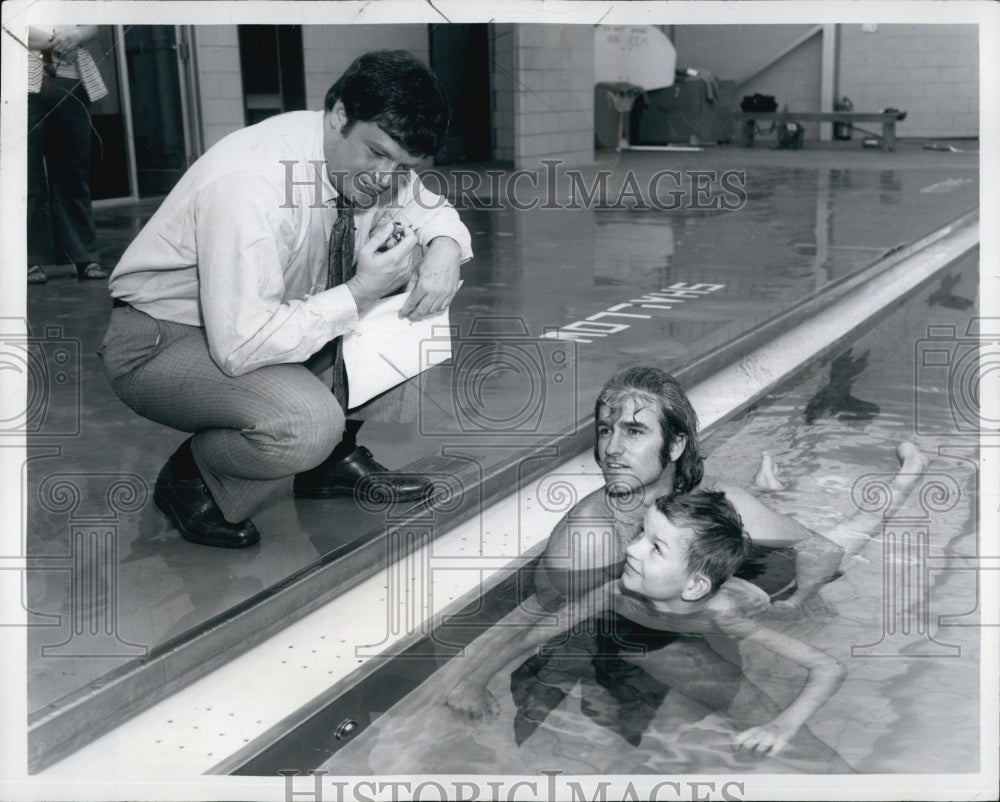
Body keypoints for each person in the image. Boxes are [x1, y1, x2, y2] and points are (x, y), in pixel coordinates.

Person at [99, 50, 472, 548]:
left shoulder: (357, 154)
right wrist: (360, 292)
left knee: (415, 296)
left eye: (403, 164)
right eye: (378, 154)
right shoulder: (252, 184)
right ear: (338, 114)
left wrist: (444, 247)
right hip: (161, 336)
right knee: (303, 423)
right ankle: (193, 478)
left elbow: (428, 206)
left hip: (250, 320)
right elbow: (242, 346)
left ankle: (332, 464)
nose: (386, 177)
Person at [445, 366, 928, 732]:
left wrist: (791, 604)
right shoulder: (584, 541)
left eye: (633, 432)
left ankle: (905, 477)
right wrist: (473, 678)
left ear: (675, 446)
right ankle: (781, 487)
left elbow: (820, 553)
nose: (611, 448)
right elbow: (540, 617)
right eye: (605, 430)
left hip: (703, 575)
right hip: (644, 623)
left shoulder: (718, 500)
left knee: (841, 547)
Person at [482, 490, 848, 758]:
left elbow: (828, 667)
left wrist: (783, 725)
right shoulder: (614, 592)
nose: (631, 549)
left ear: (693, 586)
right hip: (693, 594)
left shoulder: (722, 614)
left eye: (655, 547)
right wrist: (473, 682)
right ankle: (767, 488)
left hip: (763, 584)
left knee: (835, 554)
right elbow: (534, 634)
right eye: (641, 534)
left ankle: (901, 478)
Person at [27, 25, 110, 284]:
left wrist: (76, 35)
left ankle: (84, 255)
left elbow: (93, 24)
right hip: (23, 80)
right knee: (27, 173)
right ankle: (30, 258)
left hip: (71, 78)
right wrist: (61, 40)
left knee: (74, 169)